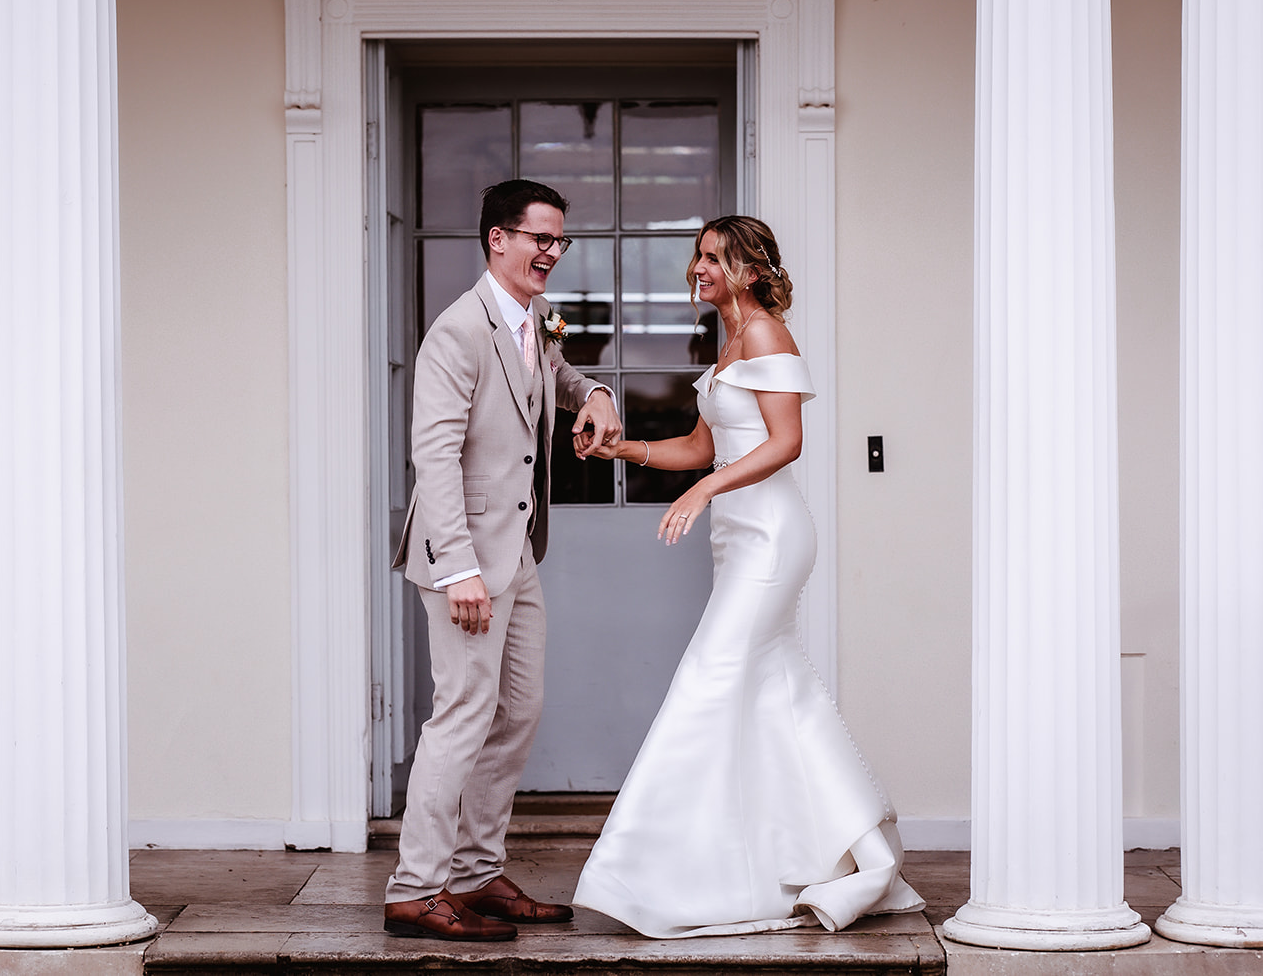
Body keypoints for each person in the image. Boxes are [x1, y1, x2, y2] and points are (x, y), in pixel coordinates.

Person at [569, 215, 924, 938]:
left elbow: (786, 443)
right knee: (774, 694)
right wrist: (625, 451)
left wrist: (705, 490)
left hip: (770, 538)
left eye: (713, 258)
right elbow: (701, 444)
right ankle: (852, 853)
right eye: (697, 255)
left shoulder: (765, 333)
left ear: (751, 271)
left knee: (707, 679)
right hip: (739, 542)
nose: (698, 267)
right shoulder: (727, 344)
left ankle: (652, 875)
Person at [384, 179, 623, 942]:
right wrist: (458, 570)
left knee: (516, 709)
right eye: (539, 238)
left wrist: (596, 393)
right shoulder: (458, 331)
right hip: (466, 558)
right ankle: (414, 887)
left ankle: (477, 872)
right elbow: (435, 455)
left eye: (559, 241)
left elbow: (554, 375)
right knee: (461, 713)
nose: (551, 252)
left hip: (516, 552)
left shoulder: (533, 319)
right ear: (498, 239)